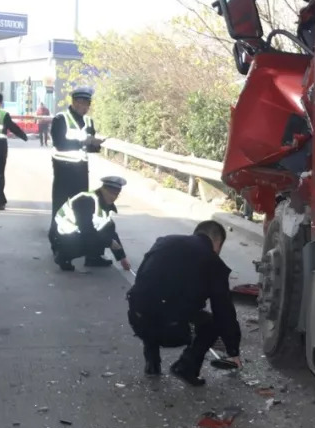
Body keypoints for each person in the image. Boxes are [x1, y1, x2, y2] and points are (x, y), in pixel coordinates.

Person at [126, 220, 242, 383]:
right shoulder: (213, 263)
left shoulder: (164, 242)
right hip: (169, 329)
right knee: (211, 323)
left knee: (151, 300)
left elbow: (142, 282)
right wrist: (233, 351)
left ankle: (152, 363)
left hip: (137, 320)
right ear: (217, 242)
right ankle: (186, 367)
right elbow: (224, 312)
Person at [48, 87, 103, 252]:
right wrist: (82, 143)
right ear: (73, 102)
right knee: (60, 206)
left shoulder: (89, 121)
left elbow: (88, 147)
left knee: (82, 206)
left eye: (87, 104)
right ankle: (56, 242)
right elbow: (59, 143)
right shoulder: (60, 119)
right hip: (63, 170)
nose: (84, 107)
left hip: (81, 169)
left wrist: (94, 145)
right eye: (80, 103)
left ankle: (79, 244)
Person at [51, 176, 132, 272]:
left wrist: (122, 257)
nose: (113, 197)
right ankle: (63, 257)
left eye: (116, 194)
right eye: (111, 193)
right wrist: (109, 242)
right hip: (62, 235)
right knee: (94, 237)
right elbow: (86, 230)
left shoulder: (105, 205)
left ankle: (93, 258)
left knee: (106, 230)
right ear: (103, 189)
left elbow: (110, 231)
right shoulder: (86, 201)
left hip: (76, 232)